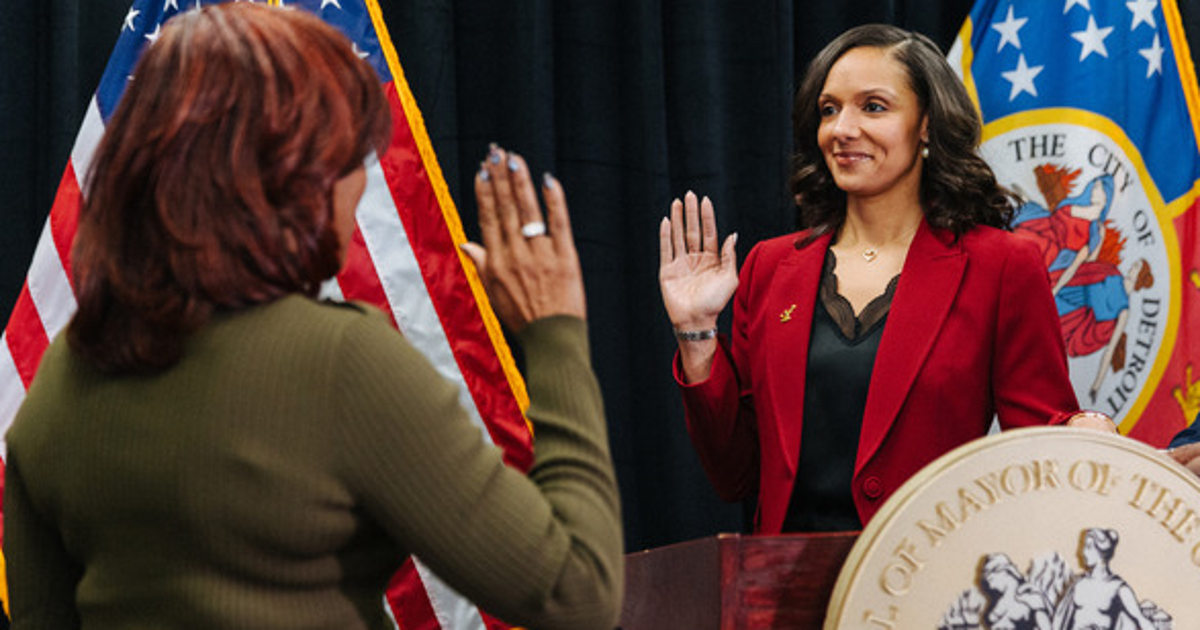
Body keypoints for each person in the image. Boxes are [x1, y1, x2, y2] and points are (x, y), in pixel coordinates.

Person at [3, 5, 621, 629]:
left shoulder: (58, 385)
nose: (359, 178)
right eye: (349, 152)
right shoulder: (344, 365)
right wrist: (555, 335)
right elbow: (579, 595)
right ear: (288, 178)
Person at [658, 24, 1115, 534]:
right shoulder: (769, 267)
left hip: (927, 583)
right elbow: (735, 475)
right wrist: (696, 336)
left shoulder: (1003, 265)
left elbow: (1039, 436)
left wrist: (1084, 428)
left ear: (926, 125)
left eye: (873, 107)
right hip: (783, 591)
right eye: (829, 109)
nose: (842, 129)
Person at [1051, 529, 1157, 630]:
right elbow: (1060, 620)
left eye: (1088, 547)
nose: (1082, 552)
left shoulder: (1118, 587)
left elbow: (1140, 619)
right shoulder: (1078, 584)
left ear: (1100, 551)